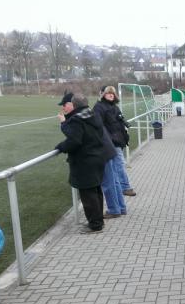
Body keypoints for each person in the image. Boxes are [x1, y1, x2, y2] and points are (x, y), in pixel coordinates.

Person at [55, 93, 106, 234]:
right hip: (98, 158)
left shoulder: (77, 120)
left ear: (74, 105)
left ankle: (95, 225)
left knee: (88, 195)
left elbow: (74, 141)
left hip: (85, 162)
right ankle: (98, 220)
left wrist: (60, 147)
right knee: (96, 192)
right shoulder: (94, 115)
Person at [94, 86, 136, 197]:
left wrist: (124, 133)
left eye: (112, 93)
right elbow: (99, 126)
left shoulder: (115, 107)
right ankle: (125, 187)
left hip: (119, 141)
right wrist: (109, 139)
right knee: (120, 164)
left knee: (115, 166)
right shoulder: (99, 107)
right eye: (108, 93)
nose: (111, 95)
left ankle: (118, 186)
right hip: (111, 142)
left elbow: (120, 121)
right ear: (103, 94)